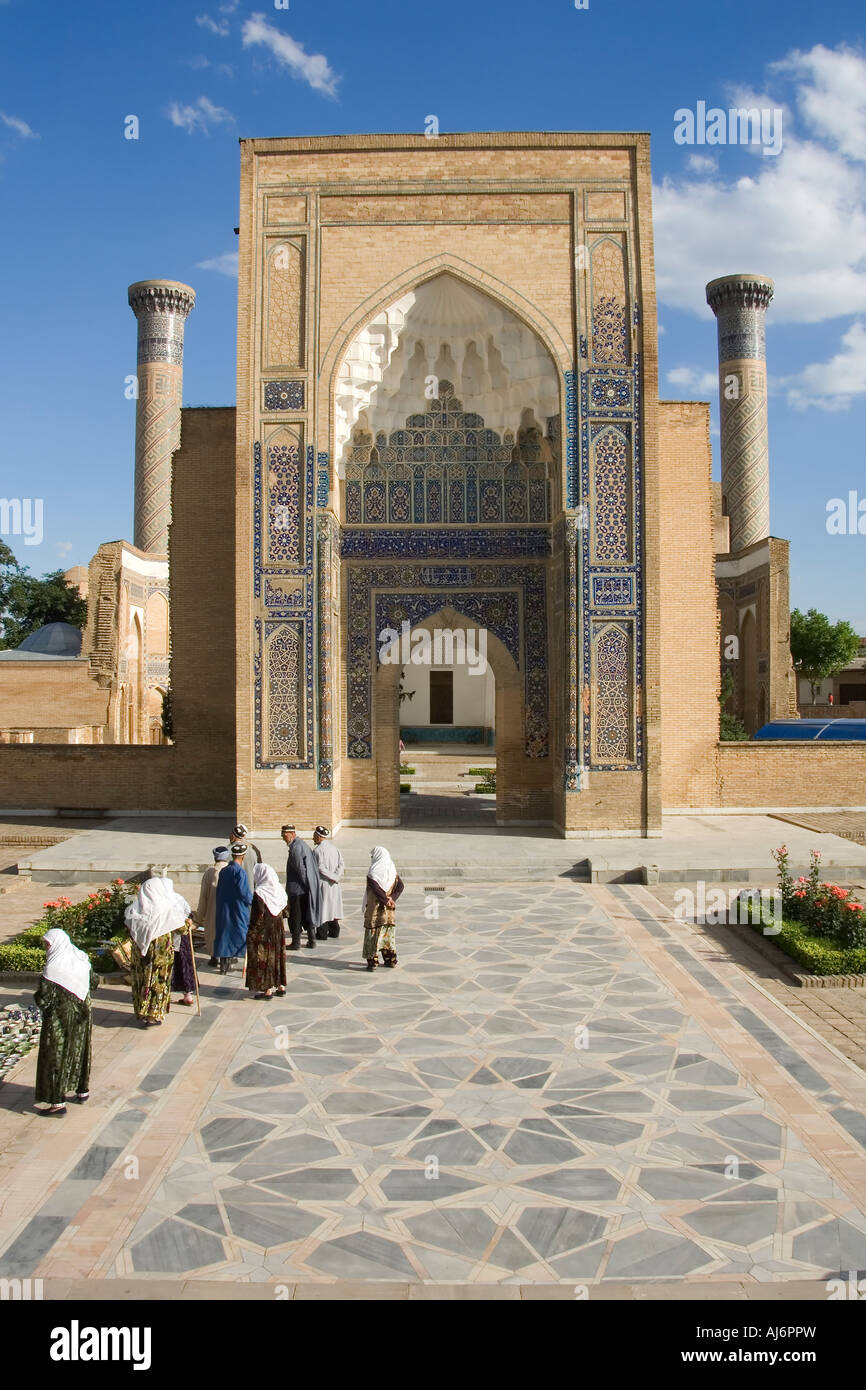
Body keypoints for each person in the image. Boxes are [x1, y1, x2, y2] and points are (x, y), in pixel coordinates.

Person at [33, 928, 98, 1116]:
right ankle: (82, 1090)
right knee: (79, 1051)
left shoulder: (53, 968)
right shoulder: (81, 959)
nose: (46, 947)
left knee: (56, 1056)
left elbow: (43, 999)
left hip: (58, 1022)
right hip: (82, 1016)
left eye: (48, 944)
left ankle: (57, 1102)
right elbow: (93, 982)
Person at [126, 874, 192, 1026]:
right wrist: (188, 923)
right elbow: (181, 929)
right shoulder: (166, 909)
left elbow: (128, 927)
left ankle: (142, 1011)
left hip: (140, 952)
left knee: (142, 980)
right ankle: (153, 1015)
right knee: (158, 981)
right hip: (160, 953)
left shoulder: (135, 909)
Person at [247, 863, 289, 998]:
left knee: (265, 959)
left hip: (265, 933)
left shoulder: (260, 893)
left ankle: (267, 989)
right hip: (278, 930)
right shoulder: (279, 890)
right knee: (278, 957)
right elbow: (287, 910)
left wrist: (251, 933)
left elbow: (257, 916)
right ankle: (280, 986)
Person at [363, 845, 404, 971]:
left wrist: (385, 900)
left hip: (374, 910)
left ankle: (373, 962)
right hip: (388, 912)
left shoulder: (373, 872)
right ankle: (390, 959)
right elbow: (400, 886)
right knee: (387, 934)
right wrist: (391, 899)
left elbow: (376, 889)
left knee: (373, 934)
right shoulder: (392, 870)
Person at [281, 825, 322, 950]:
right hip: (303, 888)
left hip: (297, 889)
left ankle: (296, 942)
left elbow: (301, 870)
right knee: (306, 914)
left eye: (285, 835)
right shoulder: (301, 845)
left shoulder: (296, 848)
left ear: (292, 833)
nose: (283, 838)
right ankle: (312, 939)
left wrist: (306, 885)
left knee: (296, 916)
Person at [215, 843, 253, 974]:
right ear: (243, 856)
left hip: (224, 909)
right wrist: (252, 901)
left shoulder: (224, 871)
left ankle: (224, 965)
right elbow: (244, 893)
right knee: (240, 934)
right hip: (237, 910)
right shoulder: (240, 872)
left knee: (224, 935)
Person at [195, 846, 230, 966]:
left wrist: (199, 918)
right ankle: (226, 959)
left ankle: (214, 958)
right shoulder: (233, 870)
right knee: (226, 933)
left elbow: (203, 897)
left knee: (212, 933)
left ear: (215, 857)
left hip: (212, 910)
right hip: (228, 911)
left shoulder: (209, 872)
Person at [313, 826, 344, 939]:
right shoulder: (335, 848)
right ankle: (334, 931)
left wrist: (332, 877)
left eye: (314, 836)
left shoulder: (317, 851)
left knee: (323, 909)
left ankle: (322, 933)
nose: (313, 839)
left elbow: (320, 868)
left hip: (324, 883)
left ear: (318, 837)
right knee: (332, 907)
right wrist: (336, 876)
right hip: (334, 883)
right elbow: (341, 864)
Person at [229, 824, 262, 894]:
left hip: (232, 893)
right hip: (249, 892)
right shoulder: (252, 851)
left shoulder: (228, 851)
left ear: (233, 835)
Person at [172, 916, 196, 1007]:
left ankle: (187, 995)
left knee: (178, 965)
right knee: (184, 964)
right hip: (180, 938)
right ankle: (188, 995)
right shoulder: (179, 903)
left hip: (173, 939)